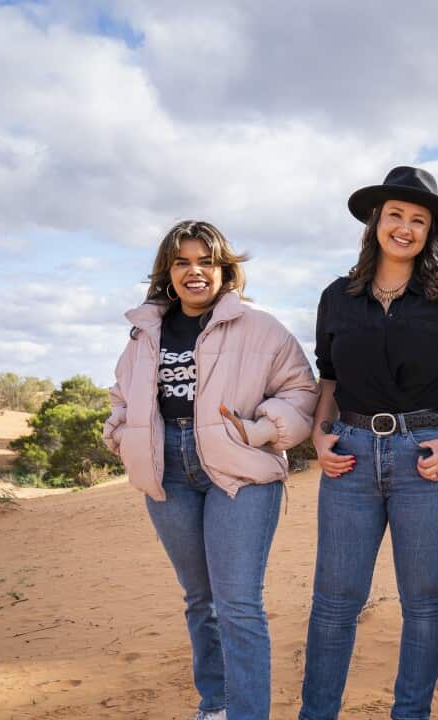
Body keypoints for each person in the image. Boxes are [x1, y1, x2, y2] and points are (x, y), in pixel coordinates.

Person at [104, 220, 318, 720]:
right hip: (169, 471)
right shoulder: (145, 332)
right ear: (167, 272)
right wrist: (122, 433)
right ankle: (215, 706)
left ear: (226, 270)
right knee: (200, 599)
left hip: (238, 468)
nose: (194, 272)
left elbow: (302, 392)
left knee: (238, 603)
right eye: (182, 262)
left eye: (206, 262)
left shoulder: (261, 327)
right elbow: (122, 395)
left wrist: (260, 432)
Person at [299, 166, 438, 720]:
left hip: (426, 456)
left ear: (431, 234)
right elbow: (327, 375)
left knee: (423, 605)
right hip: (349, 458)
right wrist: (317, 433)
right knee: (334, 604)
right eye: (396, 216)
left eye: (418, 221)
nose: (404, 228)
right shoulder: (337, 296)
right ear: (376, 221)